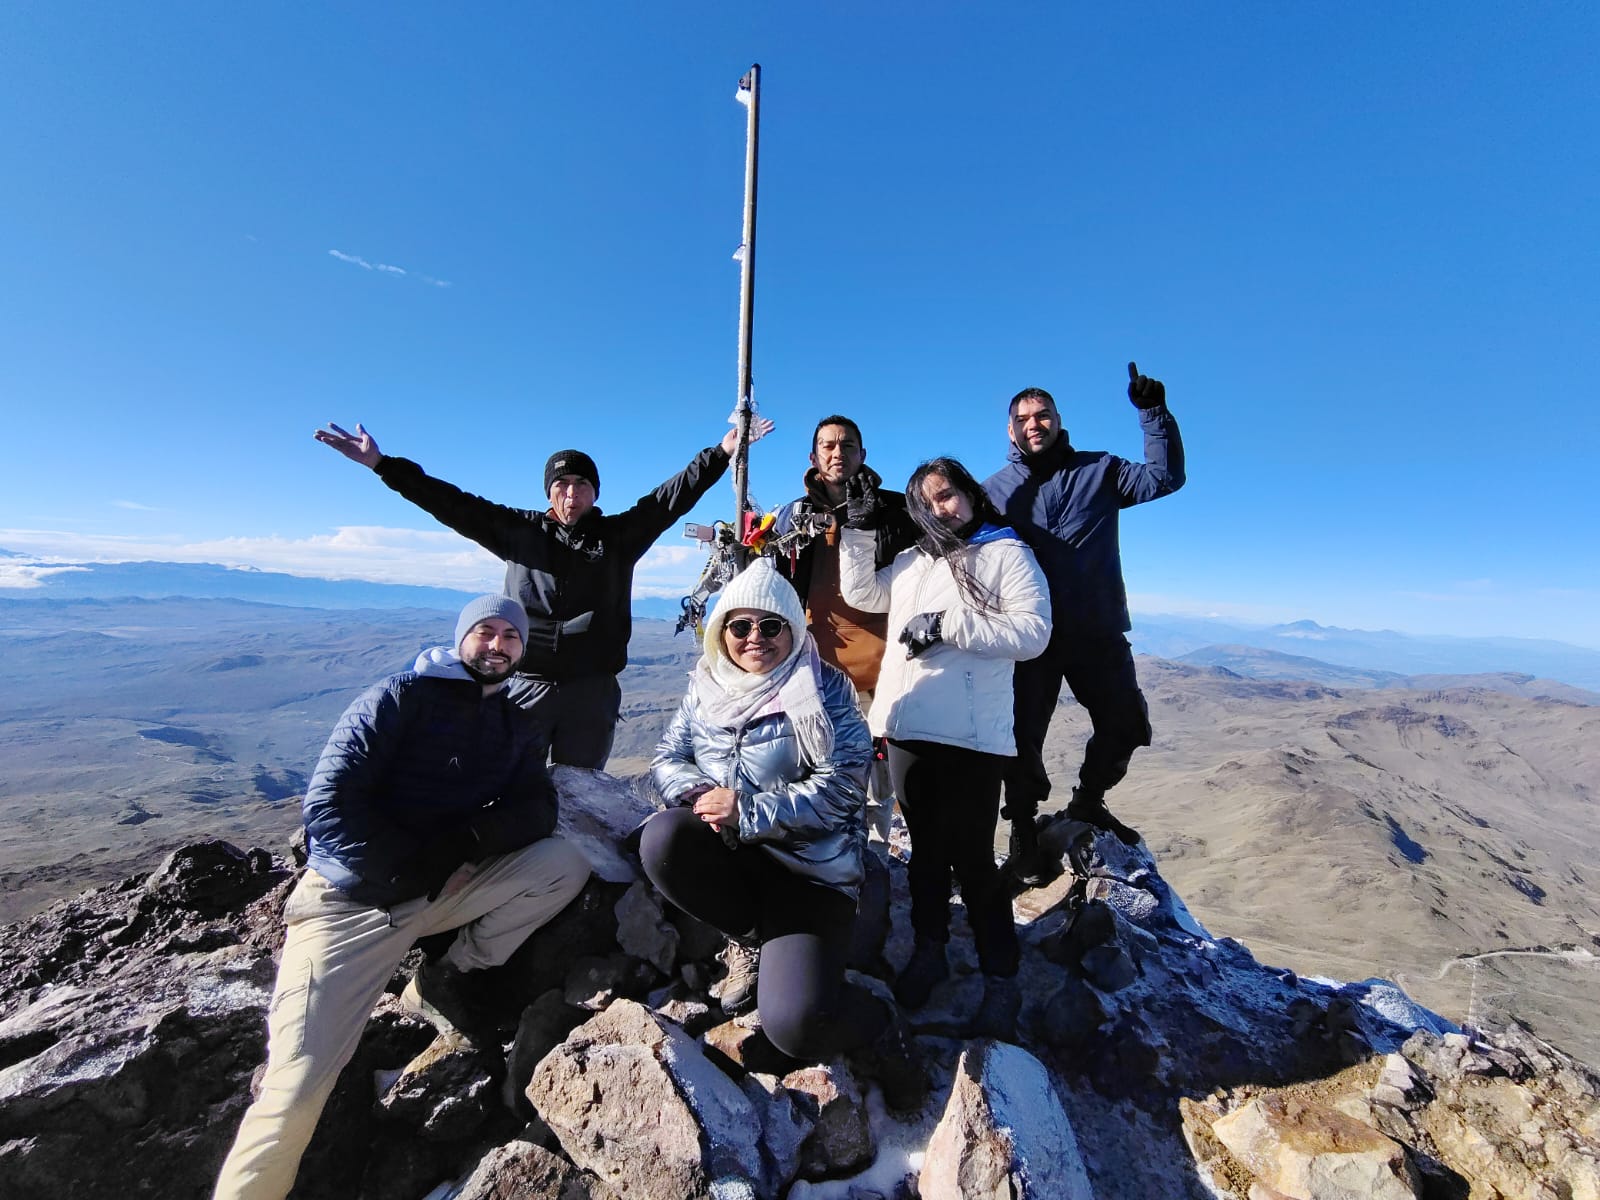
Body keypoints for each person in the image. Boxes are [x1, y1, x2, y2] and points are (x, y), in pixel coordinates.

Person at [214, 596, 592, 1200]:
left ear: (522, 651)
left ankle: (451, 974)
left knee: (560, 865)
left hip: (438, 893)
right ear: (462, 637)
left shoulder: (512, 724)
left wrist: (471, 841)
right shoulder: (399, 698)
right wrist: (408, 868)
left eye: (510, 639)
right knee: (298, 1084)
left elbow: (539, 807)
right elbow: (328, 807)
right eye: (485, 633)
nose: (497, 646)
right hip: (351, 907)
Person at [314, 416, 772, 768]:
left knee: (580, 788)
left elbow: (669, 499)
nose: (570, 495)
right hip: (525, 686)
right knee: (507, 779)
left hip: (591, 692)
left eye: (581, 485)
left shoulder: (619, 537)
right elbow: (449, 502)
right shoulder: (519, 532)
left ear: (595, 492)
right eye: (561, 486)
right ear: (549, 493)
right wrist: (381, 465)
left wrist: (722, 452)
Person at [639, 559, 923, 1107]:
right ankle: (756, 942)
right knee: (664, 839)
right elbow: (667, 757)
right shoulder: (707, 686)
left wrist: (746, 810)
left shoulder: (825, 691)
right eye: (740, 626)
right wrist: (701, 797)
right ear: (721, 631)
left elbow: (843, 787)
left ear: (793, 631)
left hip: (810, 875)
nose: (755, 639)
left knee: (797, 1027)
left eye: (771, 626)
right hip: (737, 861)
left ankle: (881, 1025)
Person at [838, 457, 1050, 1040]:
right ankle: (930, 952)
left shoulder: (1006, 552)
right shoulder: (914, 560)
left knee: (976, 863)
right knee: (926, 854)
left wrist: (949, 624)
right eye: (928, 503)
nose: (941, 508)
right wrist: (857, 529)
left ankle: (1000, 980)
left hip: (971, 737)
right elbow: (862, 591)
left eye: (948, 495)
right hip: (907, 728)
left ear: (970, 494)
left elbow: (1033, 635)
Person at [983, 362, 1186, 873]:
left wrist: (1154, 415)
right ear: (1011, 429)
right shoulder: (995, 492)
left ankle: (1088, 801)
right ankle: (1023, 828)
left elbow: (1165, 478)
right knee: (1021, 737)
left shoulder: (1101, 470)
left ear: (1057, 419)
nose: (1035, 424)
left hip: (1097, 628)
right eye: (1024, 417)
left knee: (1125, 723)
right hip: (1031, 636)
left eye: (1043, 414)